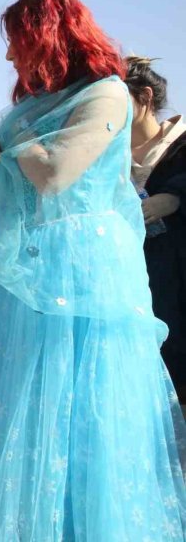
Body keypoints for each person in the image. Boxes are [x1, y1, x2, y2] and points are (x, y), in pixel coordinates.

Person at [0, 0, 186, 539]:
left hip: (83, 267)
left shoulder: (108, 96)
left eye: (16, 40)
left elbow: (56, 175)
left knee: (81, 395)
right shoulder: (33, 106)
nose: (8, 55)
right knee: (21, 390)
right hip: (27, 263)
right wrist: (4, 155)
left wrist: (8, 148)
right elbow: (23, 179)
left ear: (48, 35)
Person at [124, 56, 186, 403]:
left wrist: (176, 196)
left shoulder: (181, 145)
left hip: (176, 280)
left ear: (145, 97)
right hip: (132, 284)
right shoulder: (107, 155)